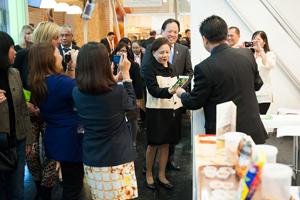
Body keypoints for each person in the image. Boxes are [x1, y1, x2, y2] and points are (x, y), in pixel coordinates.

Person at [176, 15, 267, 144]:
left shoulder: (204, 67)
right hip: (251, 129)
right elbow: (257, 84)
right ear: (225, 34)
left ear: (205, 39)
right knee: (249, 164)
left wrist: (182, 94)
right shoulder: (247, 54)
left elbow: (195, 102)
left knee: (225, 164)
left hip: (224, 134)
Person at [72, 42, 138, 199]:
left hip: (92, 157)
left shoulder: (76, 92)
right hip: (118, 156)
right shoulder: (117, 92)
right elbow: (132, 105)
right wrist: (126, 75)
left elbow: (97, 91)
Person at [12, 21, 68, 199]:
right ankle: (37, 184)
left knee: (50, 153)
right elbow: (14, 83)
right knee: (31, 154)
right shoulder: (23, 56)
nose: (60, 41)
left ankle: (46, 191)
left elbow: (61, 84)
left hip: (50, 112)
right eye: (56, 37)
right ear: (45, 37)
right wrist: (26, 105)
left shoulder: (56, 57)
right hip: (28, 113)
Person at [27, 41, 83, 200]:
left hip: (57, 136)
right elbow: (84, 91)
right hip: (71, 138)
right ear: (48, 59)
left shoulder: (39, 81)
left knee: (71, 183)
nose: (61, 56)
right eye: (57, 54)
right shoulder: (59, 82)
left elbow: (68, 89)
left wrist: (71, 68)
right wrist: (79, 65)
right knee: (73, 188)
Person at [141, 18, 193, 171]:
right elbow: (144, 70)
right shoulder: (152, 47)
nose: (172, 34)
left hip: (175, 100)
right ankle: (147, 166)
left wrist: (178, 88)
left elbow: (189, 72)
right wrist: (157, 85)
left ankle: (169, 162)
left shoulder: (183, 50)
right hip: (156, 100)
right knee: (153, 138)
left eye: (175, 32)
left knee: (171, 136)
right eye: (169, 31)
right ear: (162, 32)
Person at [144, 37, 182, 190]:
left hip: (171, 110)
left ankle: (161, 175)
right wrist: (169, 91)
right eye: (161, 52)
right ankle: (148, 174)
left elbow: (175, 87)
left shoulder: (171, 67)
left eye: (167, 52)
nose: (164, 55)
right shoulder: (149, 68)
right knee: (153, 144)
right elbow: (152, 90)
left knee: (166, 144)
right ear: (153, 52)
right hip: (155, 111)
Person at [0, 31, 33, 200]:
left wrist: (27, 138)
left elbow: (22, 110)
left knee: (17, 191)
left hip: (17, 141)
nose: (15, 51)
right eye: (11, 48)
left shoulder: (15, 74)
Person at [114, 42, 143, 148]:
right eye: (119, 50)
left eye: (124, 51)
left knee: (133, 119)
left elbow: (138, 83)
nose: (121, 53)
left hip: (130, 94)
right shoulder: (112, 64)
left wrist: (138, 99)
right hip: (115, 95)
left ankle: (133, 141)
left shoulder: (133, 65)